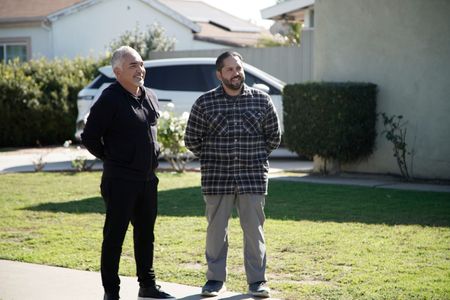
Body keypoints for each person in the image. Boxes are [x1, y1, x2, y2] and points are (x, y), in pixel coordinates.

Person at [184, 51, 281, 298]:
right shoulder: (204, 103)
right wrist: (213, 157)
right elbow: (192, 139)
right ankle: (215, 281)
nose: (235, 73)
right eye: (229, 69)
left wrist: (254, 157)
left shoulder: (261, 100)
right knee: (216, 233)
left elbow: (274, 137)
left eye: (238, 68)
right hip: (217, 178)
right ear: (219, 74)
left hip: (253, 178)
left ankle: (257, 282)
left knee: (254, 232)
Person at [81, 46, 173, 300]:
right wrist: (112, 158)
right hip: (120, 180)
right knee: (114, 237)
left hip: (147, 179)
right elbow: (89, 136)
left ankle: (147, 286)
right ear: (117, 71)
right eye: (133, 65)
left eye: (141, 64)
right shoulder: (110, 98)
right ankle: (111, 292)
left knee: (146, 235)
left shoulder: (150, 95)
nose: (140, 69)